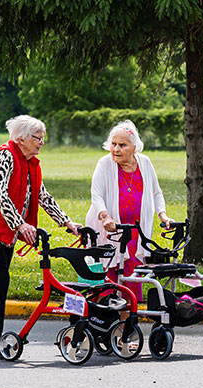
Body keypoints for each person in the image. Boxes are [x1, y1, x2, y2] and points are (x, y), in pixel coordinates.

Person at [0, 115, 82, 359]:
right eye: (38, 138)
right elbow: (0, 193)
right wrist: (20, 224)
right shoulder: (5, 155)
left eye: (43, 138)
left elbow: (42, 196)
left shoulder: (30, 162)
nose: (41, 143)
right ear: (21, 138)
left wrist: (66, 222)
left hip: (5, 232)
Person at [85, 120, 175, 303]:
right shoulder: (104, 164)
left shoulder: (145, 163)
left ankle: (127, 325)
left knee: (132, 275)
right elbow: (96, 195)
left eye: (122, 145)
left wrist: (163, 215)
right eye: (113, 144)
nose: (116, 149)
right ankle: (102, 320)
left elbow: (157, 192)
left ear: (134, 147)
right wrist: (105, 217)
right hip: (109, 230)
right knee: (107, 275)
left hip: (135, 232)